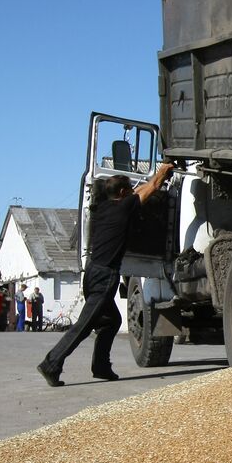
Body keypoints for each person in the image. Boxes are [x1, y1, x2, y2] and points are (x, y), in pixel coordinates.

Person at [38, 163, 174, 386]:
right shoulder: (125, 207)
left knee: (111, 322)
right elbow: (151, 188)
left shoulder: (104, 208)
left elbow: (139, 193)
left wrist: (144, 186)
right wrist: (162, 172)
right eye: (129, 190)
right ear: (123, 194)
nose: (133, 192)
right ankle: (51, 363)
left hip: (91, 272)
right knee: (83, 325)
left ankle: (101, 366)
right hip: (105, 277)